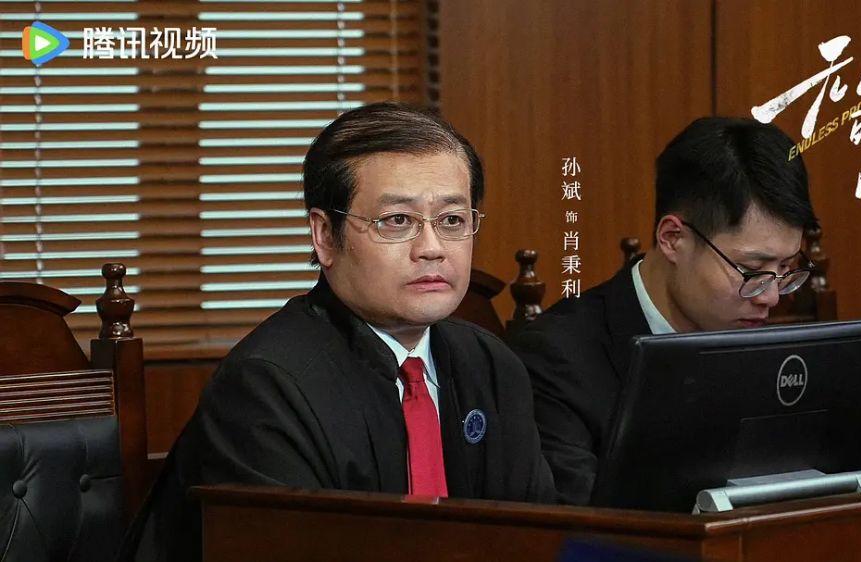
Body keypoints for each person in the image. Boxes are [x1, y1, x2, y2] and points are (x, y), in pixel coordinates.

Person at [119, 102, 554, 561]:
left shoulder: (492, 366)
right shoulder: (265, 388)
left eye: (452, 221)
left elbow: (539, 541)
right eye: (397, 221)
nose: (432, 248)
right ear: (325, 235)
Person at [509, 117, 819, 505]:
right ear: (673, 239)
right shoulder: (556, 359)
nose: (771, 297)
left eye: (786, 269)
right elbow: (582, 524)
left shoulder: (778, 352)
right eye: (752, 271)